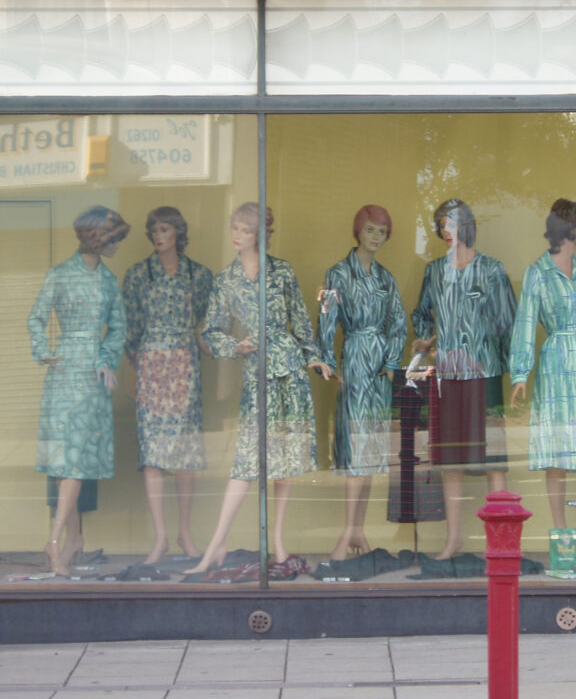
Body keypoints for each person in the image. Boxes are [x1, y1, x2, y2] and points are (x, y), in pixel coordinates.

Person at [186, 202, 333, 575]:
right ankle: (216, 546)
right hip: (258, 373)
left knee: (284, 462)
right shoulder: (226, 280)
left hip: (290, 371)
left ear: (260, 234)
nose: (237, 236)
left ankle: (280, 544)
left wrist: (313, 357)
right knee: (247, 462)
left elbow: (300, 318)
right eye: (234, 228)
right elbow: (209, 330)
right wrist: (234, 347)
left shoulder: (281, 271)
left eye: (245, 230)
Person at [411, 198, 516, 560]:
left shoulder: (492, 270)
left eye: (453, 223)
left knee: (493, 458)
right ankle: (453, 539)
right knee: (448, 458)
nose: (446, 231)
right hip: (447, 374)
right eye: (442, 225)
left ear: (468, 225)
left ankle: (500, 541)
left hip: (484, 372)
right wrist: (426, 341)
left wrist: (514, 373)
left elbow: (508, 323)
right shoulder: (435, 272)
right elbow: (423, 314)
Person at [28, 205, 130, 576]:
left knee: (75, 458)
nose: (117, 246)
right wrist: (43, 351)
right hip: (64, 368)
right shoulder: (59, 275)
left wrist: (106, 358)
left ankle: (58, 541)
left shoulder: (108, 281)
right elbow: (36, 316)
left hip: (93, 374)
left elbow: (118, 328)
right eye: (113, 239)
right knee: (64, 461)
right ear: (97, 237)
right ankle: (68, 540)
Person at [509, 199, 576, 529]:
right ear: (570, 228)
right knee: (557, 454)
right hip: (554, 366)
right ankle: (561, 536)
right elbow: (525, 323)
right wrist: (520, 372)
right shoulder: (537, 273)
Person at [122, 206, 214, 564]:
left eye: (165, 229)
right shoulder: (137, 276)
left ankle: (185, 533)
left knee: (185, 453)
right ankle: (160, 538)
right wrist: (141, 364)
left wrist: (198, 349)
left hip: (185, 365)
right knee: (154, 455)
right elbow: (131, 328)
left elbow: (209, 321)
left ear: (178, 233)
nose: (159, 235)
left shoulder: (199, 275)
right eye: (154, 229)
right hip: (151, 364)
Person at [317, 205, 407, 561]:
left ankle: (359, 532)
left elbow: (398, 320)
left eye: (382, 231)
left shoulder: (386, 278)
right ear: (358, 231)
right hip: (354, 358)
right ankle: (346, 533)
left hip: (379, 367)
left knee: (371, 451)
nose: (375, 237)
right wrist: (326, 360)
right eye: (370, 229)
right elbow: (326, 318)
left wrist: (391, 362)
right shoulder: (337, 273)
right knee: (355, 448)